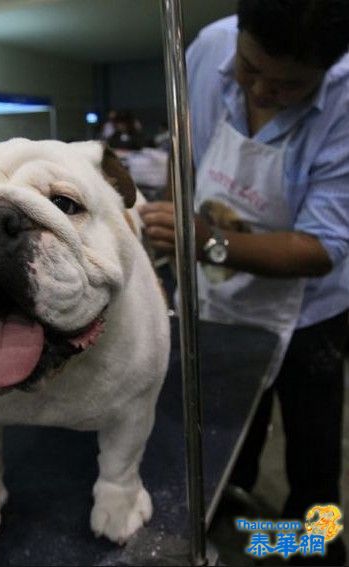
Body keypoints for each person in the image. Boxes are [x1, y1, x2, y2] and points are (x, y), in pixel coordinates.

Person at [139, 1, 349, 563]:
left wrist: (205, 239)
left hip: (310, 313)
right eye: (251, 69)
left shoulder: (347, 98)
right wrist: (170, 225)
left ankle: (305, 548)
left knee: (311, 460)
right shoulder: (209, 47)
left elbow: (320, 248)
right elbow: (180, 161)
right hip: (214, 300)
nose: (260, 93)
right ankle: (239, 537)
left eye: (288, 87)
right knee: (227, 441)